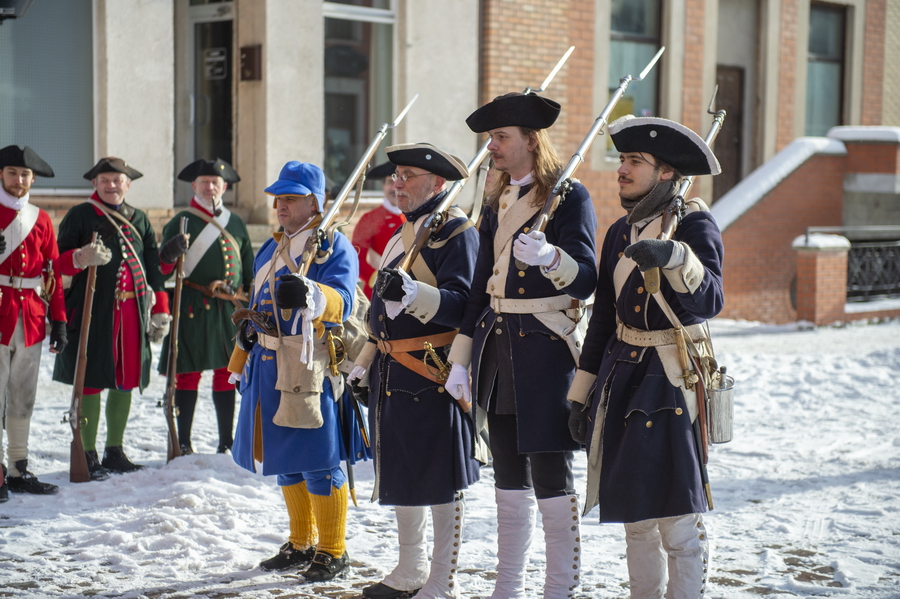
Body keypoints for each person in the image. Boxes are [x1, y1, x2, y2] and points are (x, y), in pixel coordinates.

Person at [444, 93, 598, 599]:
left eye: (500, 138)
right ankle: (506, 588)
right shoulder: (499, 199)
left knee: (553, 479)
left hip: (546, 354)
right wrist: (462, 357)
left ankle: (560, 590)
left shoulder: (570, 197)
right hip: (498, 350)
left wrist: (553, 258)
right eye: (491, 139)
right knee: (508, 481)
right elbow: (478, 287)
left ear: (531, 141)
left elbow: (587, 280)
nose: (492, 148)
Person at [567, 115, 724, 599]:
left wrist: (677, 258)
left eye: (635, 161)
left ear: (666, 173)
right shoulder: (619, 232)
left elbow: (710, 300)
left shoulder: (695, 223)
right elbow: (603, 321)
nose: (621, 169)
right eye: (622, 159)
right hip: (622, 377)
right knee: (635, 518)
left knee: (676, 520)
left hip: (670, 379)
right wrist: (581, 394)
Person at [347, 143, 483, 599]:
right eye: (397, 175)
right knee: (403, 471)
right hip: (392, 368)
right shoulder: (401, 234)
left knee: (441, 477)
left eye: (407, 175)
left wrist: (415, 294)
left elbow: (465, 306)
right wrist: (364, 364)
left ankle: (443, 581)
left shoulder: (457, 233)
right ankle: (410, 570)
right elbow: (380, 312)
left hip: (433, 370)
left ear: (438, 184)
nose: (397, 183)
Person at [227, 161, 368, 582]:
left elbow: (342, 298)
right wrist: (244, 348)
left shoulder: (333, 247)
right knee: (285, 458)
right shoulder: (271, 248)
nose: (279, 205)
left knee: (320, 461)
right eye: (278, 198)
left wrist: (314, 293)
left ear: (314, 202)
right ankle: (301, 541)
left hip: (309, 364)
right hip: (267, 362)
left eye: (289, 198)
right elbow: (259, 302)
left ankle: (333, 549)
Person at [53, 157, 186, 479]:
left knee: (126, 379)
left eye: (118, 180)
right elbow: (57, 264)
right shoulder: (80, 215)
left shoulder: (138, 218)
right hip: (93, 311)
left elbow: (152, 267)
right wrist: (80, 258)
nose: (112, 185)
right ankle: (87, 453)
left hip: (132, 311)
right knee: (91, 381)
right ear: (95, 184)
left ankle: (115, 450)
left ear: (128, 184)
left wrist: (161, 309)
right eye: (105, 180)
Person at [158, 158, 253, 455]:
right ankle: (183, 442)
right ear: (194, 186)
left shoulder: (234, 222)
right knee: (188, 372)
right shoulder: (181, 221)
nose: (210, 187)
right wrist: (170, 253)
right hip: (192, 305)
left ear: (224, 187)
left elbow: (247, 262)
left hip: (228, 307)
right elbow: (162, 268)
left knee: (227, 371)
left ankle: (227, 441)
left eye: (215, 183)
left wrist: (249, 292)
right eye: (204, 182)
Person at [0, 146, 67, 501]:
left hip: (30, 317)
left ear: (33, 179)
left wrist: (59, 320)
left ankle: (17, 467)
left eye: (25, 175)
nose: (19, 180)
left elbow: (51, 273)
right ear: (2, 175)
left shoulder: (40, 219)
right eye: (12, 173)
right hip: (0, 313)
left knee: (23, 397)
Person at [351, 161, 405, 299]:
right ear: (383, 186)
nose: (394, 187)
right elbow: (356, 258)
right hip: (379, 293)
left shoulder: (416, 217)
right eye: (389, 182)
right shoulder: (369, 219)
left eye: (398, 181)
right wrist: (376, 279)